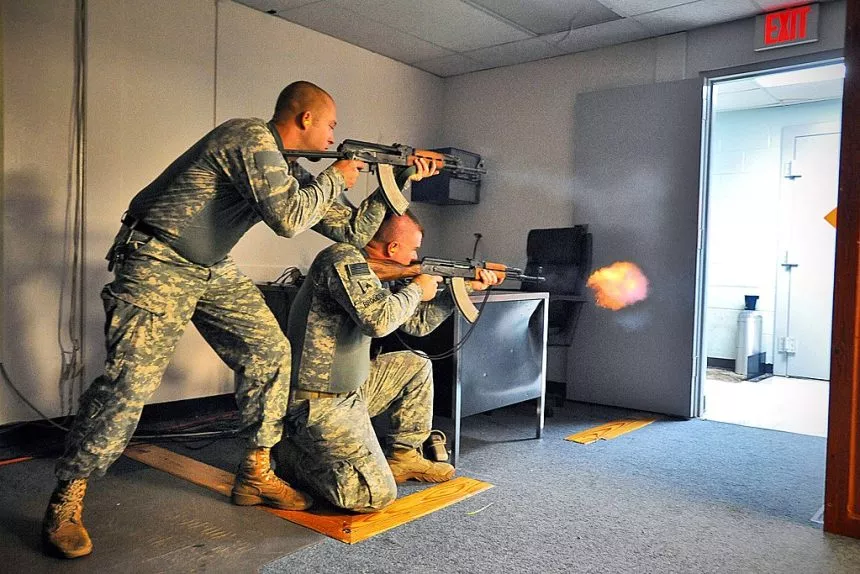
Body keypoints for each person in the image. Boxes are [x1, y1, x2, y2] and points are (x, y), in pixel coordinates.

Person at [42, 80, 437, 559]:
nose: (335, 136)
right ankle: (68, 499)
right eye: (331, 124)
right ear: (305, 118)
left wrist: (404, 178)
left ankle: (256, 472)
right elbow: (288, 220)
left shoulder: (289, 168)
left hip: (211, 267)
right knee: (129, 385)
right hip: (157, 258)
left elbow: (352, 231)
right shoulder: (248, 138)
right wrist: (335, 175)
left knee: (271, 354)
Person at [271, 211, 500, 513]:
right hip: (316, 401)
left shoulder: (372, 275)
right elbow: (377, 322)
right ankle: (289, 458)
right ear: (392, 249)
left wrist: (462, 290)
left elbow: (416, 325)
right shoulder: (342, 258)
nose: (416, 256)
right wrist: (418, 287)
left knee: (415, 364)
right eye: (414, 249)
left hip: (352, 390)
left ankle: (403, 456)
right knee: (372, 494)